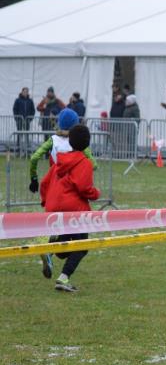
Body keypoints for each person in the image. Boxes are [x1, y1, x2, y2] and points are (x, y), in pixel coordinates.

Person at [38, 124, 100, 293]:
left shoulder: (59, 161)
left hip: (55, 206)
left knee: (65, 247)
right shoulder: (84, 163)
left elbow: (44, 183)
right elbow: (84, 188)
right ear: (87, 143)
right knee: (82, 245)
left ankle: (50, 249)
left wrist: (45, 201)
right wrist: (96, 194)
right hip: (73, 208)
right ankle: (63, 278)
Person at [28, 109, 96, 193]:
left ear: (60, 123)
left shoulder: (52, 140)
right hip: (74, 186)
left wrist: (33, 178)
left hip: (55, 184)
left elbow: (34, 158)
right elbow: (94, 165)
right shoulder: (79, 141)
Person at [13, 87, 35, 152]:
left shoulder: (30, 101)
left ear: (28, 93)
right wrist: (17, 118)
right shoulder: (18, 100)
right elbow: (15, 109)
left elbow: (33, 110)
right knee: (19, 134)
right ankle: (18, 148)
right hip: (19, 120)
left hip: (27, 120)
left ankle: (27, 149)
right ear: (22, 92)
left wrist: (30, 119)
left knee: (27, 134)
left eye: (26, 92)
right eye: (24, 91)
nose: (25, 93)